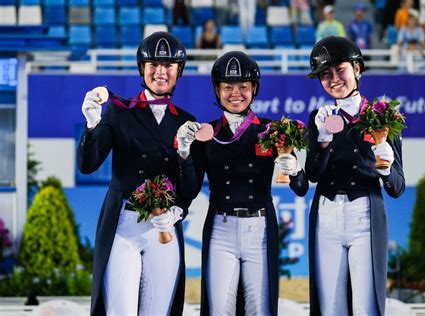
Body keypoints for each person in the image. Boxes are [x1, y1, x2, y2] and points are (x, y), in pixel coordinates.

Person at [176, 51, 308, 315]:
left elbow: (301, 187)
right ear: (217, 90)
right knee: (219, 309)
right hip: (221, 230)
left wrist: (294, 169)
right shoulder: (207, 133)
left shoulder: (272, 130)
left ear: (254, 89)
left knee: (259, 308)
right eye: (227, 87)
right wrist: (184, 153)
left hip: (259, 229)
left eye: (243, 87)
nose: (235, 93)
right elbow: (190, 190)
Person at [77, 32, 196, 316]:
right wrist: (93, 124)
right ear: (142, 68)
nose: (160, 72)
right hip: (123, 226)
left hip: (163, 228)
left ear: (178, 71)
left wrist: (179, 209)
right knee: (121, 311)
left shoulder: (187, 121)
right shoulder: (120, 112)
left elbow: (189, 184)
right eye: (153, 64)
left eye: (168, 65)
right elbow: (89, 164)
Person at [305, 36, 405, 315]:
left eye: (340, 70)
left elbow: (397, 187)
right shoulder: (319, 116)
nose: (334, 79)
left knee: (366, 305)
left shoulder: (383, 116)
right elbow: (312, 174)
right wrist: (323, 141)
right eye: (325, 74)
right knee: (330, 306)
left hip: (364, 213)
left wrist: (385, 167)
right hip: (326, 216)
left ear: (357, 69)